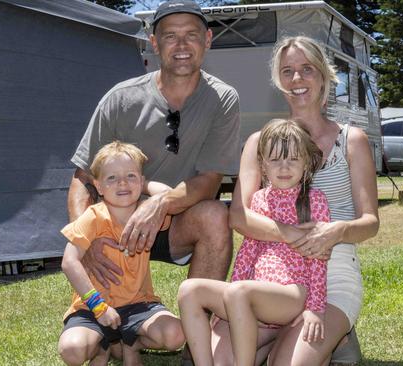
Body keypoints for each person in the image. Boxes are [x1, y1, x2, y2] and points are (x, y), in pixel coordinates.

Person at [67, 0, 240, 290]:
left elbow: (209, 183)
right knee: (106, 334)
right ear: (154, 44)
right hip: (115, 226)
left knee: (215, 215)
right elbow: (82, 179)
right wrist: (85, 239)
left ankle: (196, 328)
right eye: (170, 36)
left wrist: (160, 203)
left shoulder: (223, 99)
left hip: (176, 222)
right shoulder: (120, 99)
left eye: (192, 35)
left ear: (207, 40)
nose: (181, 45)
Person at [228, 36, 379, 365]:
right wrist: (292, 234)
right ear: (278, 80)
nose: (297, 79)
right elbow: (239, 217)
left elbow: (370, 223)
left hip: (331, 269)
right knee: (221, 360)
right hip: (269, 276)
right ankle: (308, 340)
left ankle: (327, 333)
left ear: (324, 76)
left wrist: (334, 232)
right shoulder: (259, 142)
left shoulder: (351, 141)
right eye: (287, 71)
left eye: (307, 69)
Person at [178, 119, 329, 366]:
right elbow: (249, 250)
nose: (284, 167)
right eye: (275, 159)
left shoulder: (315, 201)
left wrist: (315, 307)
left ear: (307, 162)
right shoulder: (258, 200)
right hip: (252, 295)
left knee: (239, 291)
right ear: (262, 165)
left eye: (292, 158)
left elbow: (319, 259)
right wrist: (231, 301)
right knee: (190, 290)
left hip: (291, 294)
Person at [59, 141, 185, 366]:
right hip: (93, 307)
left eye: (130, 176)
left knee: (176, 334)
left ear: (141, 180)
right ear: (98, 186)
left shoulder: (148, 217)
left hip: (139, 304)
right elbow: (69, 262)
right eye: (112, 178)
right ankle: (101, 348)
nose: (123, 183)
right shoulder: (93, 216)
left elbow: (169, 194)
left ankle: (131, 344)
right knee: (72, 350)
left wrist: (145, 189)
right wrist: (98, 306)